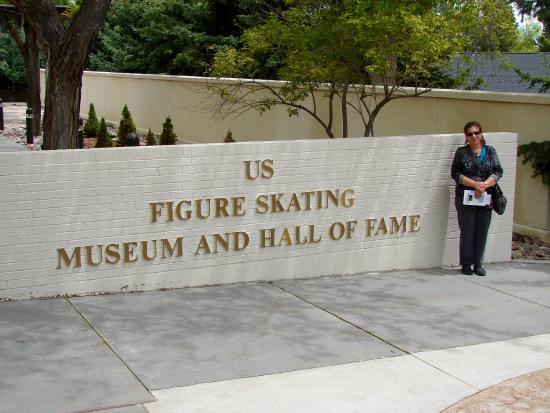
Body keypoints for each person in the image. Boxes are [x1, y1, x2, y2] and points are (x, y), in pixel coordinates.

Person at [451, 121, 503, 276]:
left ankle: (478, 263)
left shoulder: (490, 151)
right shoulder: (461, 152)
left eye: (476, 133)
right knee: (467, 230)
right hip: (466, 196)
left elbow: (498, 171)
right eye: (469, 134)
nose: (473, 136)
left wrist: (485, 185)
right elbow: (455, 173)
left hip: (486, 196)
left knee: (482, 230)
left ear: (481, 134)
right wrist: (475, 185)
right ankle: (466, 263)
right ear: (466, 137)